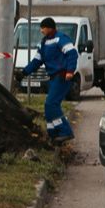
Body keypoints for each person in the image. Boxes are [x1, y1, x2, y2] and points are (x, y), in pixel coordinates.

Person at [22, 17, 79, 146]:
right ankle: (53, 134)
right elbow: (36, 61)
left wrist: (70, 71)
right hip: (53, 78)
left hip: (62, 76)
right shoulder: (43, 43)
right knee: (49, 107)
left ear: (50, 28)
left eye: (43, 28)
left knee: (51, 104)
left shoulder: (60, 38)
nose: (41, 30)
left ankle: (65, 132)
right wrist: (24, 72)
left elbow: (72, 54)